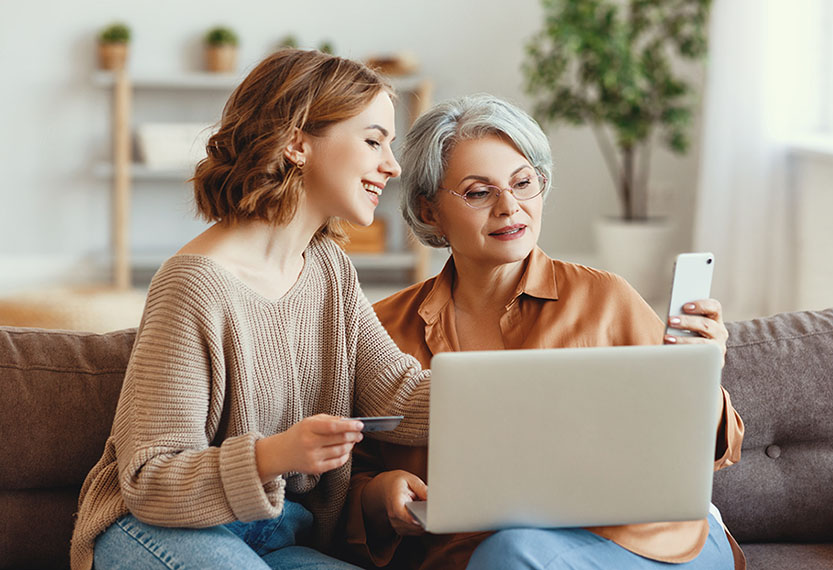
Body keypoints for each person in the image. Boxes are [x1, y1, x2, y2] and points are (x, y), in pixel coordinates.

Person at [341, 94, 745, 569]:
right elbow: (344, 477)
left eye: (523, 183)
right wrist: (377, 496)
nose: (509, 207)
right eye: (478, 192)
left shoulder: (605, 299)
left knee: (513, 552)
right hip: (472, 555)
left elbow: (715, 449)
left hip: (643, 544)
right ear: (430, 212)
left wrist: (699, 372)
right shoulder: (380, 328)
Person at [70, 50, 433, 570]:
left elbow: (399, 393)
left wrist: (520, 387)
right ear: (297, 142)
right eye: (373, 140)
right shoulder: (193, 285)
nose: (392, 165)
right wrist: (276, 456)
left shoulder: (331, 270)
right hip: (155, 527)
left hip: (282, 536)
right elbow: (148, 481)